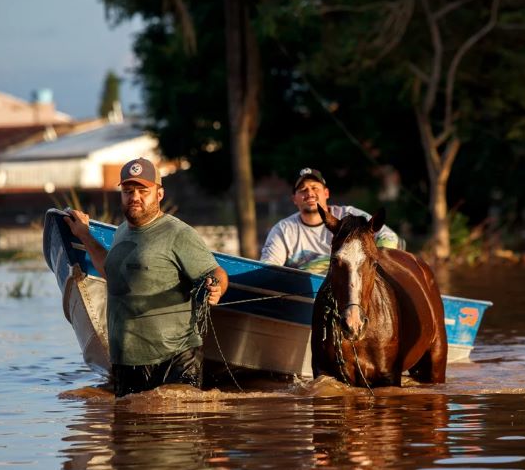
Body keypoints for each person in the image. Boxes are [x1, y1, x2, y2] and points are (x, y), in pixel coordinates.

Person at [64, 157, 229, 397]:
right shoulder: (121, 231)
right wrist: (85, 236)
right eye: (128, 191)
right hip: (126, 361)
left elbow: (215, 273)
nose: (135, 197)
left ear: (159, 194)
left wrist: (216, 288)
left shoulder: (178, 233)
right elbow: (111, 273)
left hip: (175, 358)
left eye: (143, 190)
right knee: (128, 428)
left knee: (175, 428)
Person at [260, 167, 400, 274]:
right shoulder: (283, 230)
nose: (309, 193)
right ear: (294, 199)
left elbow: (388, 236)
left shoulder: (350, 216)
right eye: (303, 190)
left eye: (315, 188)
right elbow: (268, 267)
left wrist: (374, 261)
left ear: (326, 193)